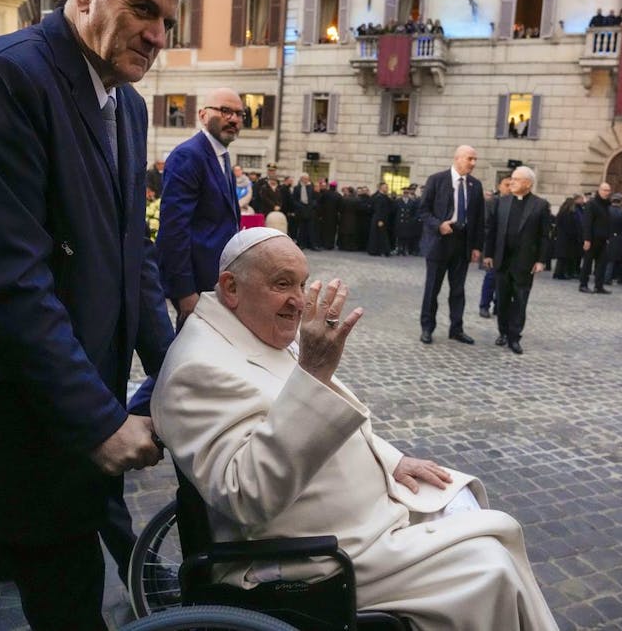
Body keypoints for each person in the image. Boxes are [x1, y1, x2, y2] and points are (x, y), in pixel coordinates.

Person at [0, 0, 185, 627]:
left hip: (54, 412)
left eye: (167, 21)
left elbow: (130, 255)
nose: (156, 35)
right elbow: (3, 272)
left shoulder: (130, 107)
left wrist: (180, 370)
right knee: (60, 586)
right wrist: (98, 421)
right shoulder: (3, 74)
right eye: (143, 9)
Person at [151, 228, 559, 631]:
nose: (298, 301)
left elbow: (324, 421)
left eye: (303, 284)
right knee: (490, 568)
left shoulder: (251, 325)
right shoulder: (198, 368)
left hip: (363, 512)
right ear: (231, 287)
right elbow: (247, 495)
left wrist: (394, 460)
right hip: (315, 553)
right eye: (281, 284)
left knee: (461, 495)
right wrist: (313, 373)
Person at [157, 87, 243, 329]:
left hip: (218, 281)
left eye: (239, 114)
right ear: (203, 115)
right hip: (196, 287)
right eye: (225, 111)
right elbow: (174, 229)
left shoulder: (223, 157)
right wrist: (184, 293)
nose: (234, 119)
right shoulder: (189, 155)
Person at [418, 145, 485, 345]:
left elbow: (479, 219)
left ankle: (456, 329)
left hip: (462, 244)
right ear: (457, 158)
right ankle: (427, 328)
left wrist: (476, 247)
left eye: (475, 159)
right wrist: (439, 225)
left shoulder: (475, 185)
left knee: (458, 290)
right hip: (440, 242)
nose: (473, 163)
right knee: (432, 289)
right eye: (470, 159)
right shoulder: (437, 180)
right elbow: (423, 211)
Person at [483, 167, 550, 355]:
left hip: (525, 262)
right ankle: (503, 332)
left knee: (520, 301)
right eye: (511, 179)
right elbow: (491, 230)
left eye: (516, 179)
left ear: (528, 183)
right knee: (502, 300)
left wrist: (541, 260)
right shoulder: (500, 202)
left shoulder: (540, 205)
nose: (511, 182)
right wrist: (488, 255)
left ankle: (515, 337)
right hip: (502, 259)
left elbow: (545, 236)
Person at [480, 177, 512, 317]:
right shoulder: (493, 203)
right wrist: (488, 252)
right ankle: (484, 305)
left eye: (512, 185)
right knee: (491, 278)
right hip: (495, 248)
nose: (510, 188)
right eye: (506, 185)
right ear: (499, 186)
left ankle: (499, 305)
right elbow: (488, 227)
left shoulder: (516, 203)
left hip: (510, 250)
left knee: (506, 281)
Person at [579, 182, 612, 294]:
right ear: (599, 190)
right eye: (604, 190)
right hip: (592, 239)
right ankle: (583, 284)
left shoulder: (607, 204)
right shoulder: (592, 204)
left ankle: (599, 286)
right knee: (587, 264)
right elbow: (587, 222)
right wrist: (587, 239)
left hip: (603, 239)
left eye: (608, 190)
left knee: (602, 265)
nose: (606, 193)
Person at [551, 195, 582, 280]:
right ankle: (560, 274)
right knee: (564, 257)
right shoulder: (569, 214)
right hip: (567, 239)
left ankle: (557, 273)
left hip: (561, 237)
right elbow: (570, 227)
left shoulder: (561, 212)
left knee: (561, 258)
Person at [291, 173, 318, 249]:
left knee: (311, 229)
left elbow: (315, 198)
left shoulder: (311, 187)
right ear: (301, 179)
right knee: (301, 229)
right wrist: (300, 206)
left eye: (307, 178)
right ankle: (301, 244)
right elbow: (294, 200)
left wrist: (312, 205)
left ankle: (312, 245)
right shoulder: (297, 188)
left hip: (310, 210)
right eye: (304, 178)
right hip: (301, 210)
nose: (306, 180)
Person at [367, 182, 393, 256]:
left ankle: (382, 251)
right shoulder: (379, 197)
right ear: (381, 188)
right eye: (385, 187)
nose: (387, 188)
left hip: (383, 218)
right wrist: (380, 220)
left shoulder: (384, 196)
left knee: (382, 235)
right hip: (379, 219)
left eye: (387, 187)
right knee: (378, 236)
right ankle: (378, 251)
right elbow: (378, 209)